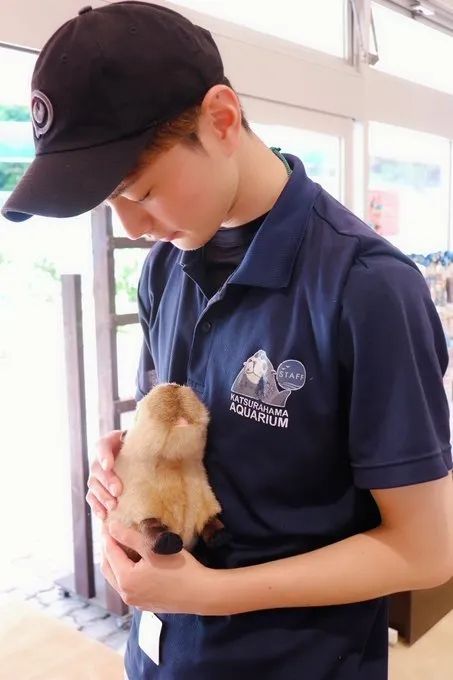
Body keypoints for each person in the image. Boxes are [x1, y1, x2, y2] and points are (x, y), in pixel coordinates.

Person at [3, 3, 453, 679]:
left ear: (220, 119)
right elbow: (182, 430)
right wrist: (126, 456)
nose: (130, 227)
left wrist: (208, 594)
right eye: (109, 204)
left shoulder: (368, 289)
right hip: (162, 651)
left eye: (141, 191)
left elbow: (425, 550)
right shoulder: (163, 269)